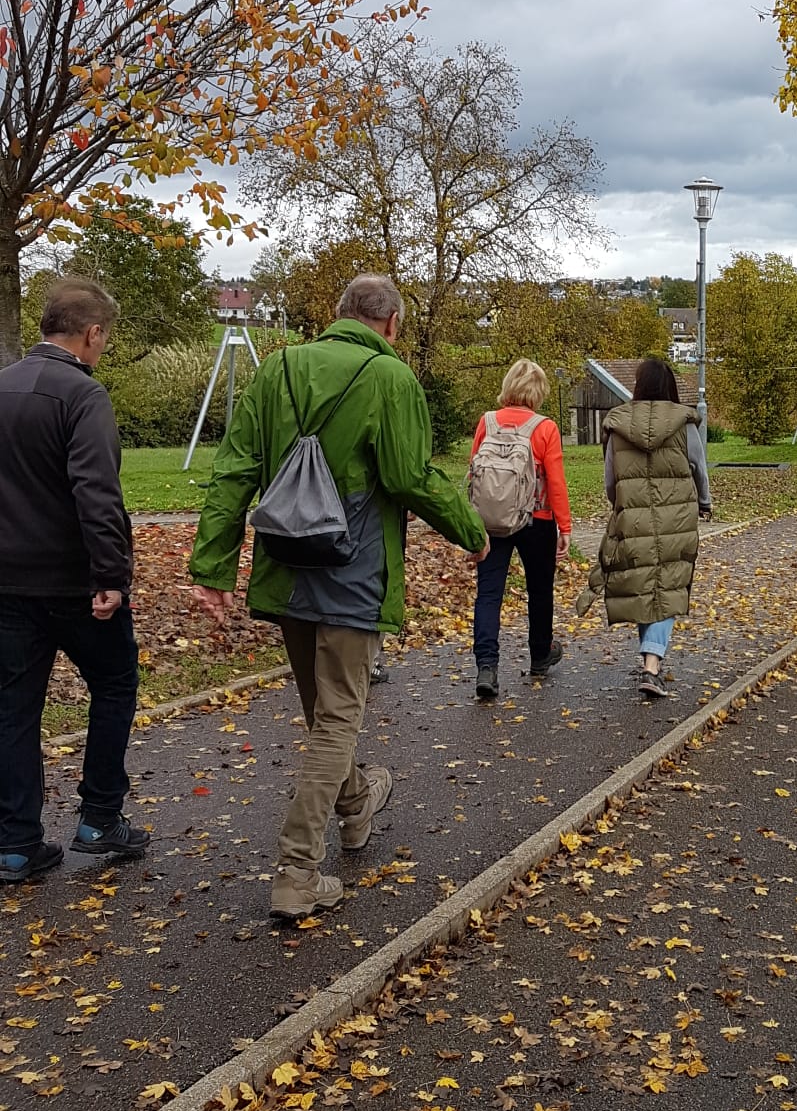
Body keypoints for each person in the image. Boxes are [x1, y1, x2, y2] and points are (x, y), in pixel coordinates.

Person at [188, 275, 487, 920]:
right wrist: (472, 531)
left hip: (285, 568)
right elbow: (410, 476)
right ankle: (297, 870)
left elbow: (235, 468)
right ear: (392, 323)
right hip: (354, 573)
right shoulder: (391, 379)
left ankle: (354, 801)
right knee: (338, 718)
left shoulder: (278, 370)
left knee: (323, 713)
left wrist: (214, 565)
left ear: (339, 313)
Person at [0, 277, 146, 883]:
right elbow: (96, 491)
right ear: (92, 333)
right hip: (74, 582)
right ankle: (99, 817)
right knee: (113, 684)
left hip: (7, 585)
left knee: (13, 708)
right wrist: (111, 573)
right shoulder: (83, 396)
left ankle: (15, 842)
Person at [583, 357, 711, 698]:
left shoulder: (617, 424)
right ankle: (652, 665)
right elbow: (699, 467)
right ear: (669, 387)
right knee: (667, 587)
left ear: (639, 386)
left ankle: (649, 662)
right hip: (677, 519)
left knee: (645, 584)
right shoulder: (684, 423)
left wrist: (621, 504)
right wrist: (704, 502)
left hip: (633, 517)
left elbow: (611, 479)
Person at [470, 358, 572, 697]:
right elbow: (555, 482)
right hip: (536, 519)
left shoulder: (487, 422)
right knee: (539, 590)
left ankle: (487, 666)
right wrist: (564, 527)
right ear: (538, 392)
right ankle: (540, 655)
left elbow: (474, 473)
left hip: (492, 520)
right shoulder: (545, 428)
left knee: (489, 593)